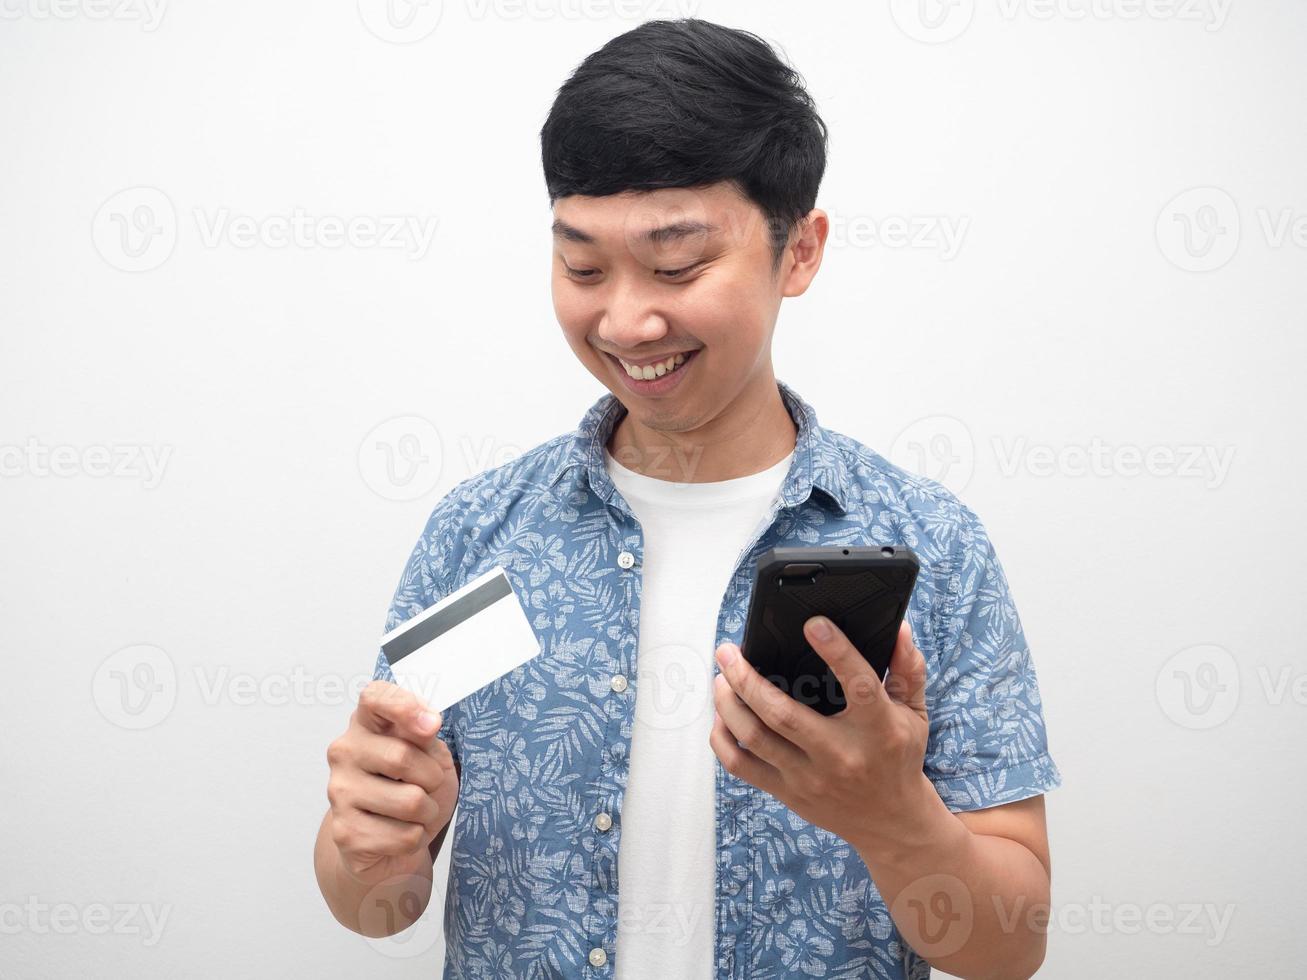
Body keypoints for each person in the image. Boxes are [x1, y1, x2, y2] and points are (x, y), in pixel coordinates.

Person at [314, 17, 1061, 979]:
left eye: (676, 266)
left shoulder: (929, 546)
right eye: (582, 266)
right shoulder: (480, 534)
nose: (624, 319)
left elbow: (1008, 950)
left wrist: (892, 815)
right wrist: (367, 844)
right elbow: (376, 905)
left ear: (799, 252)